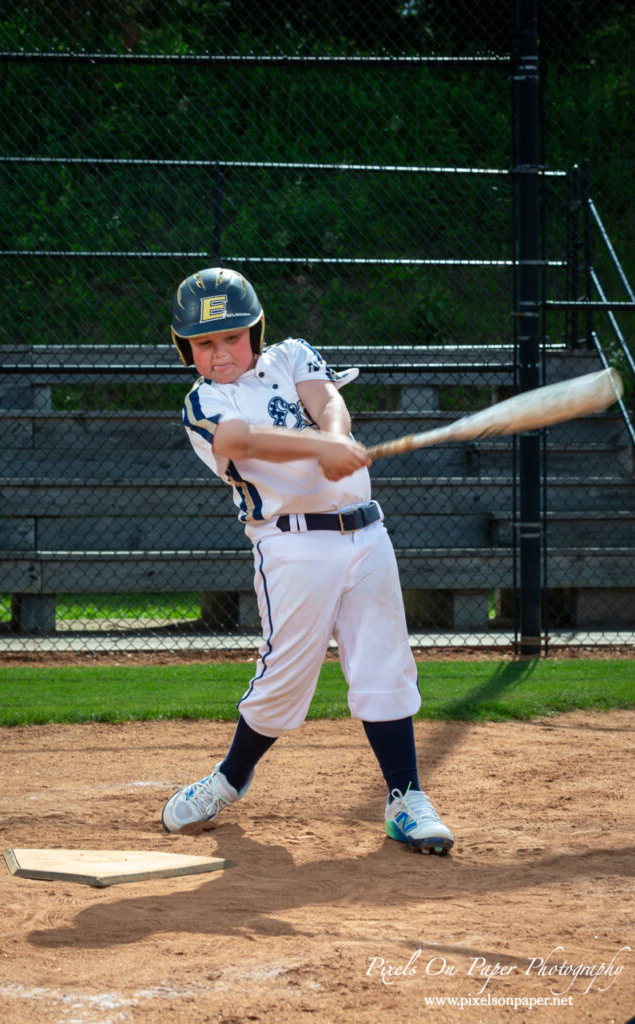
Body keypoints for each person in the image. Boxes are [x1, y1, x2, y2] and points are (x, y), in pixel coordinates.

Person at [161, 266, 454, 855]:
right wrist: (319, 446)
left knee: (385, 665)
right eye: (204, 343)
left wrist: (338, 435)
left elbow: (329, 403)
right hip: (291, 547)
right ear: (186, 349)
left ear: (257, 331)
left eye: (232, 337)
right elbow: (238, 442)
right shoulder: (205, 401)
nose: (220, 354)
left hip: (366, 537)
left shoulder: (292, 355)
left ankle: (405, 797)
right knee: (284, 679)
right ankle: (229, 778)